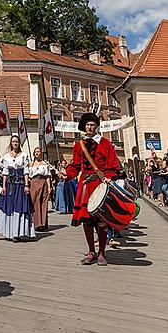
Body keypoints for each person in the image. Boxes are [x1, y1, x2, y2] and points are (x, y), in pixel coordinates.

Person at [66, 113, 120, 266]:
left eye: (92, 125)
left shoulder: (105, 143)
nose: (89, 127)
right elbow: (75, 166)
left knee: (101, 220)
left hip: (100, 184)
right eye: (87, 125)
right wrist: (68, 174)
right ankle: (91, 251)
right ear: (84, 127)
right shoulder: (79, 145)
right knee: (87, 221)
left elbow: (112, 164)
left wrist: (109, 177)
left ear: (96, 127)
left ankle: (102, 253)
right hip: (85, 185)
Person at [0, 134, 35, 242]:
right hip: (9, 185)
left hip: (20, 184)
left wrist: (26, 185)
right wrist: (3, 186)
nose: (15, 143)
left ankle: (18, 233)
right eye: (13, 142)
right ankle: (10, 233)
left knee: (20, 207)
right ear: (11, 143)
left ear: (19, 143)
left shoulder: (24, 155)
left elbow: (26, 171)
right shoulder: (6, 156)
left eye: (17, 142)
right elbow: (5, 172)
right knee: (9, 207)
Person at [29, 146, 51, 231]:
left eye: (39, 151)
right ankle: (36, 223)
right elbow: (28, 175)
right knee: (34, 202)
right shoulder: (31, 164)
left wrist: (49, 187)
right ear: (34, 154)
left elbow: (48, 176)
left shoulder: (45, 164)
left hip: (42, 182)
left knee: (43, 203)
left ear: (41, 153)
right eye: (36, 152)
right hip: (33, 183)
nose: (37, 153)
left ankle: (43, 224)